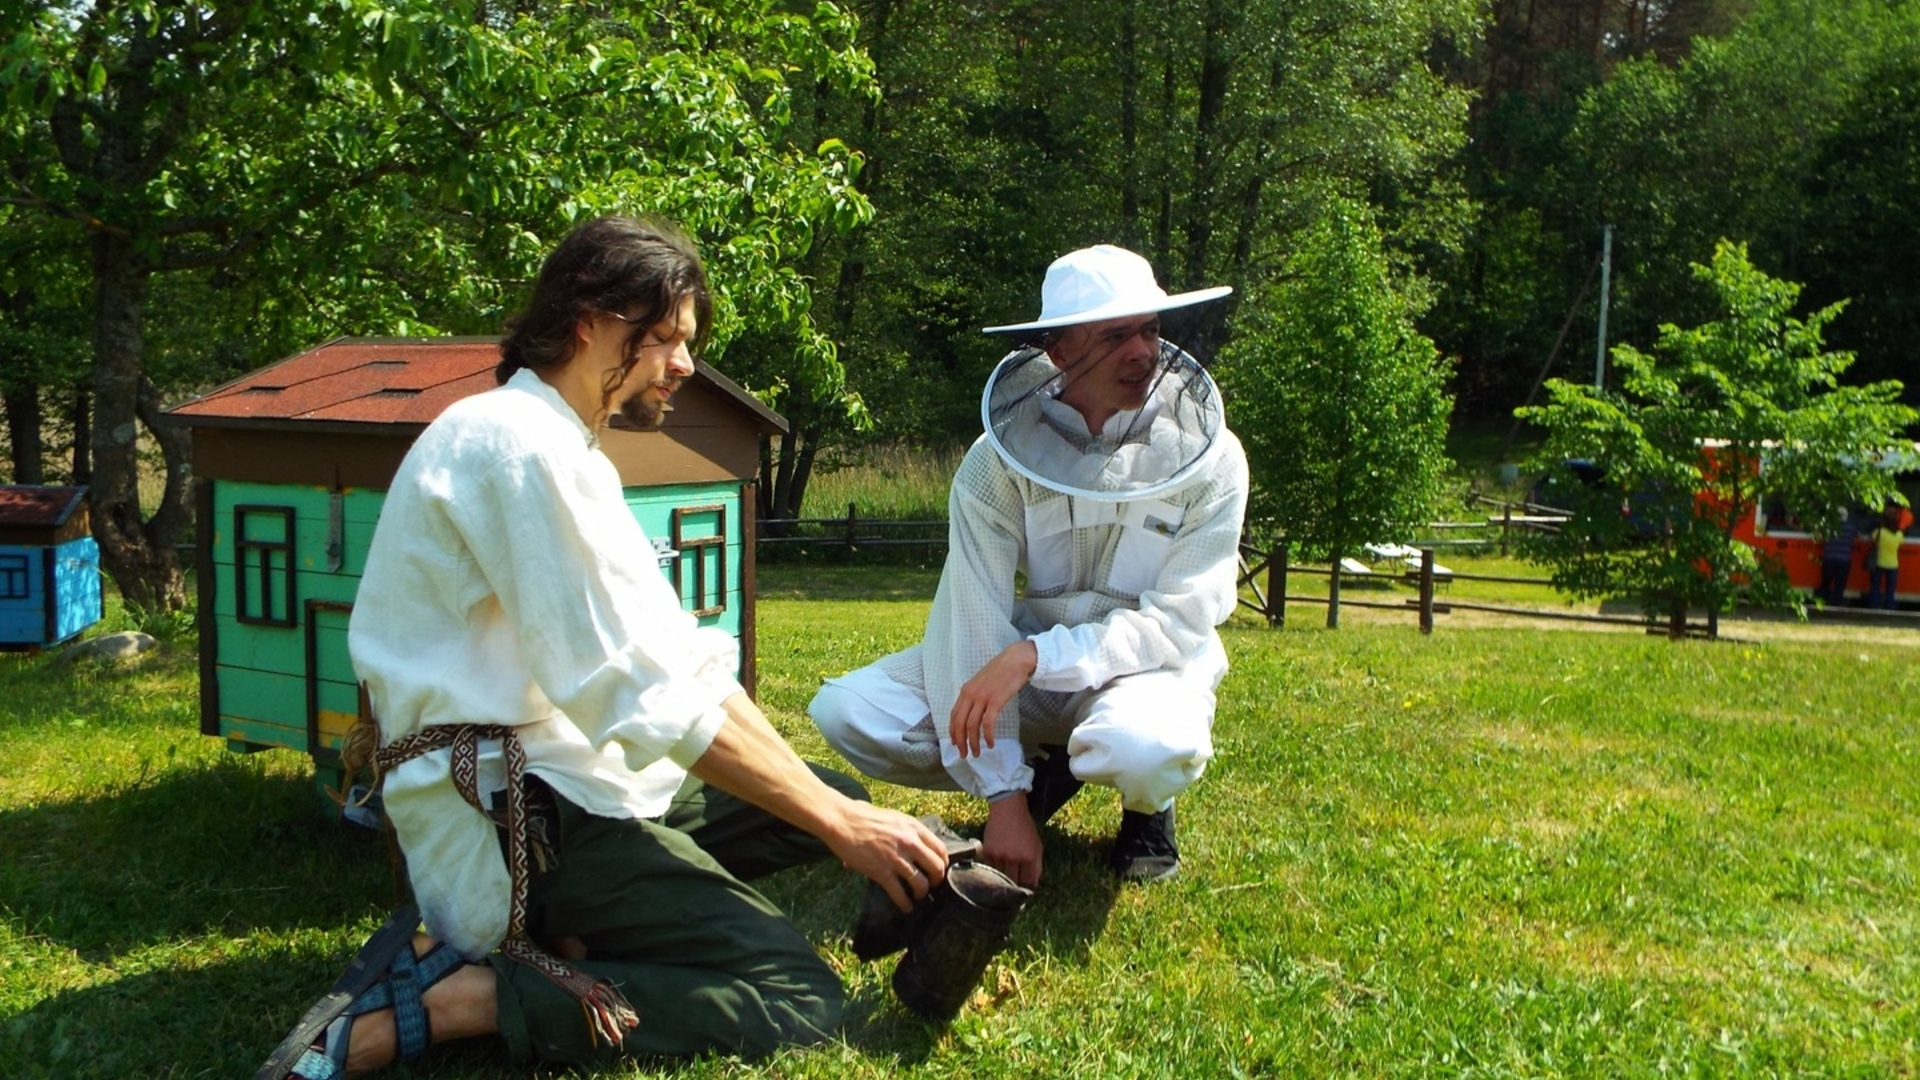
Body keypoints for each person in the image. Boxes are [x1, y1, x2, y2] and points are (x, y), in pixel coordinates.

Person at [256, 216, 950, 1080]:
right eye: (663, 338)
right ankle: (463, 997)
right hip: (517, 820)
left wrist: (837, 813)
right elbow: (634, 689)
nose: (685, 364)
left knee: (823, 796)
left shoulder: (555, 446)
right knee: (799, 997)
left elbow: (682, 663)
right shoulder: (516, 447)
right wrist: (844, 829)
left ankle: (594, 924)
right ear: (590, 324)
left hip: (572, 779)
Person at [810, 244, 1248, 890]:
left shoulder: (1209, 459)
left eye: (1150, 330)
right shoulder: (996, 462)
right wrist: (1004, 800)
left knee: (1143, 748)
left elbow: (1179, 622)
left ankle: (1147, 807)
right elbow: (973, 614)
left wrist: (1033, 658)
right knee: (850, 711)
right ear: (1059, 351)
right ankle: (1039, 767)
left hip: (1148, 669)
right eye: (1115, 335)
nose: (1142, 352)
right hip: (1034, 669)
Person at [1865, 501, 1910, 610]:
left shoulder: (1879, 532)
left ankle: (1873, 606)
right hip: (1893, 564)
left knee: (1875, 587)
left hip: (1879, 563)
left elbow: (1870, 540)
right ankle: (1889, 607)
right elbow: (1901, 543)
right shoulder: (1899, 535)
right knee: (1890, 589)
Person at [1816, 509, 1860, 606]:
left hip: (1829, 558)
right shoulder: (1851, 527)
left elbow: (1819, 537)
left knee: (1826, 583)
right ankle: (1837, 605)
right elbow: (1857, 539)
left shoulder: (1828, 526)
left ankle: (1823, 603)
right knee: (1840, 585)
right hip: (1844, 560)